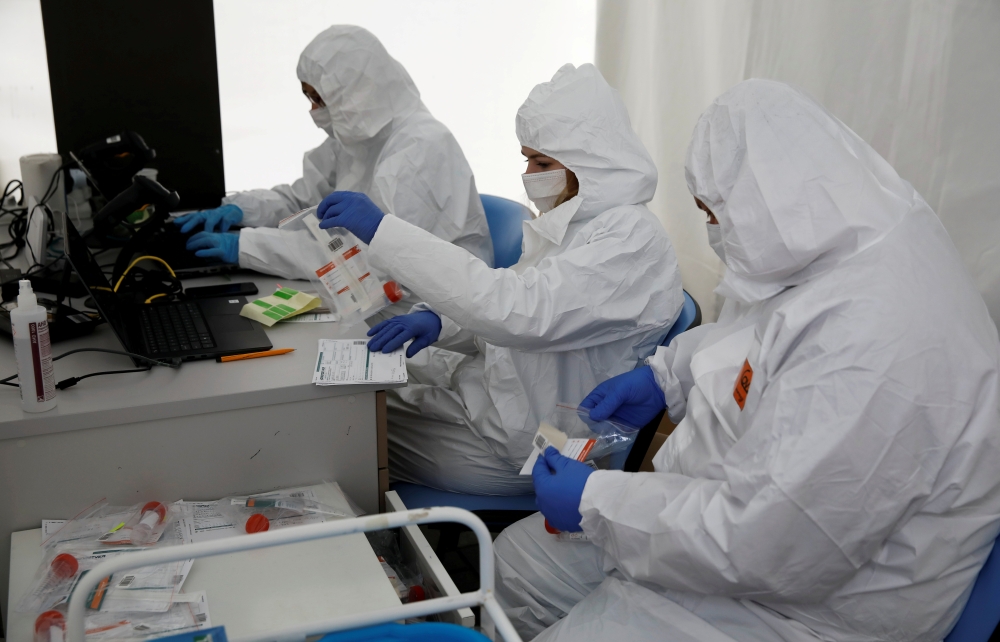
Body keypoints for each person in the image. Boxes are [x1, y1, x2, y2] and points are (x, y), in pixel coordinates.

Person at [493, 79, 1000, 641]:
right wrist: (668, 377)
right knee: (515, 566)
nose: (711, 230)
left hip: (805, 610)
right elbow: (761, 331)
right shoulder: (833, 237)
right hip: (735, 533)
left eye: (713, 214)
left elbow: (769, 544)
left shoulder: (880, 340)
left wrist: (596, 502)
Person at [314, 64, 684, 494]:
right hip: (495, 405)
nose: (530, 175)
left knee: (342, 427)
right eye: (527, 159)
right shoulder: (577, 223)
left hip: (530, 446)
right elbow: (518, 294)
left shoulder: (630, 241)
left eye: (542, 162)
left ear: (591, 161)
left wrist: (384, 231)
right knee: (358, 398)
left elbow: (518, 312)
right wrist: (441, 322)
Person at [173, 25, 492, 312]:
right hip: (369, 298)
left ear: (357, 93)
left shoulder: (419, 149)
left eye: (319, 98)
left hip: (428, 318)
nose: (312, 111)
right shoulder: (358, 136)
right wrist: (238, 210)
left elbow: (365, 259)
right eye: (308, 97)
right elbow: (301, 203)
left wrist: (245, 245)